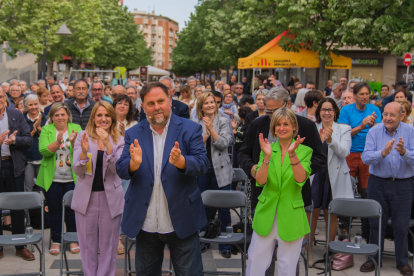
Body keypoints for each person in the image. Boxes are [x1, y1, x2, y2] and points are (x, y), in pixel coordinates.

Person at [116, 82, 209, 275]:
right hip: (146, 222)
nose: (156, 107)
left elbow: (202, 164)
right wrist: (133, 163)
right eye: (150, 103)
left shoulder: (190, 129)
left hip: (182, 219)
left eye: (160, 101)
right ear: (143, 107)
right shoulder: (133, 133)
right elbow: (122, 169)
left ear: (170, 101)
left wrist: (182, 161)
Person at [238, 87, 326, 276]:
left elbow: (319, 159)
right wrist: (254, 168)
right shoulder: (257, 124)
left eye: (274, 111)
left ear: (288, 105)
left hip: (293, 201)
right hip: (264, 200)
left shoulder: (307, 128)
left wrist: (300, 165)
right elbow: (244, 153)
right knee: (257, 260)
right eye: (268, 112)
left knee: (288, 263)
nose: (272, 118)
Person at [246, 107, 312, 276]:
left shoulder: (304, 151)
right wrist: (266, 157)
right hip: (265, 213)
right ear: (273, 128)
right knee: (254, 262)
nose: (282, 128)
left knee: (287, 267)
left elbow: (300, 179)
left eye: (286, 124)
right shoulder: (267, 148)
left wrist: (292, 155)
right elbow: (260, 180)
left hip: (291, 216)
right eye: (278, 125)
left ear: (294, 127)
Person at [360, 102, 414, 276]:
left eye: (392, 115)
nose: (388, 118)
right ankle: (373, 259)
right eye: (385, 114)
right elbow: (366, 157)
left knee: (400, 226)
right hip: (378, 183)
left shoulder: (410, 131)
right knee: (376, 223)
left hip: (403, 185)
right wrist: (382, 153)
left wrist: (404, 152)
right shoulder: (374, 131)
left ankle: (402, 262)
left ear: (401, 116)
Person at [71, 101, 125, 276]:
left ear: (113, 118)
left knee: (109, 245)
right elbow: (78, 171)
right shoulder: (82, 136)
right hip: (86, 199)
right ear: (93, 118)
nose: (103, 119)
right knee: (87, 246)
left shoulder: (120, 140)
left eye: (107, 115)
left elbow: (118, 170)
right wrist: (83, 153)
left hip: (110, 199)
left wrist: (109, 146)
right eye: (99, 115)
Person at [308, 98, 353, 266]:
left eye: (330, 109)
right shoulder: (312, 128)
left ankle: (329, 251)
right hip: (316, 174)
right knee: (311, 213)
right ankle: (309, 251)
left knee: (331, 213)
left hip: (335, 175)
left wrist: (330, 140)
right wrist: (320, 140)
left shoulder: (344, 128)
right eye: (323, 109)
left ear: (335, 112)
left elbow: (344, 152)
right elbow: (307, 152)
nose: (326, 112)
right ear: (319, 112)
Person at [338, 82, 382, 241]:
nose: (364, 97)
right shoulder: (346, 110)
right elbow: (343, 135)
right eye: (361, 94)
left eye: (367, 94)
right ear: (355, 95)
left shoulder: (375, 110)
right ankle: (343, 226)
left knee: (366, 192)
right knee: (346, 190)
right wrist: (362, 125)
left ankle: (366, 228)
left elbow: (380, 133)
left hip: (368, 154)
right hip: (349, 153)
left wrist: (373, 126)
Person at [192, 92, 234, 258]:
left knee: (224, 207)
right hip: (202, 169)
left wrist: (211, 130)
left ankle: (225, 244)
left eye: (212, 102)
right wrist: (205, 135)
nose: (210, 105)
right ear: (201, 106)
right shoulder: (195, 122)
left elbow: (225, 143)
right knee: (203, 206)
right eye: (206, 103)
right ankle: (204, 239)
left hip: (221, 169)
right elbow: (192, 146)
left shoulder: (224, 120)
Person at [36, 103, 82, 255]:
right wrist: (58, 141)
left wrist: (74, 142)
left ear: (67, 115)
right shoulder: (46, 130)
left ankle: (72, 239)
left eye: (62, 114)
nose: (60, 117)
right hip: (52, 178)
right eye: (56, 115)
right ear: (51, 117)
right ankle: (56, 240)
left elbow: (82, 150)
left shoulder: (76, 127)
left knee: (71, 210)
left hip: (72, 178)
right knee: (54, 211)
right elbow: (43, 151)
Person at [0, 86, 34, 261]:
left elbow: (28, 139)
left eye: (0, 96)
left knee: (18, 207)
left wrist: (15, 140)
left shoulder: (15, 114)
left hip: (14, 166)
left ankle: (20, 246)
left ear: (5, 98)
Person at [23, 94, 47, 192]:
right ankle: (30, 207)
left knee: (43, 187)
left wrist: (39, 129)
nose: (33, 107)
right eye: (30, 105)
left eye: (35, 104)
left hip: (42, 157)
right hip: (27, 158)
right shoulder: (22, 119)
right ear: (25, 106)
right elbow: (22, 138)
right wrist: (33, 132)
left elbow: (49, 137)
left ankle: (44, 207)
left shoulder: (46, 118)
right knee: (28, 187)